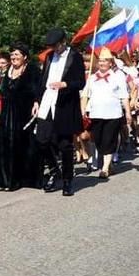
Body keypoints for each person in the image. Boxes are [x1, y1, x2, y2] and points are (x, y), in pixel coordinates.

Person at [34, 28, 86, 197]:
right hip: (47, 103)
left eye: (56, 45)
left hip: (64, 105)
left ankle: (67, 180)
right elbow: (43, 81)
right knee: (42, 140)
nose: (54, 49)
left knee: (65, 145)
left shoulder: (75, 57)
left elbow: (80, 82)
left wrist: (65, 84)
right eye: (52, 46)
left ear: (64, 42)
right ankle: (55, 171)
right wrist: (37, 100)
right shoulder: (49, 57)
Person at [0, 47, 40, 191]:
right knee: (6, 144)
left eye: (17, 54)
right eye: (12, 54)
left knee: (23, 144)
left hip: (24, 112)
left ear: (25, 56)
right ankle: (6, 180)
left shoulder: (32, 70)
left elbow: (38, 88)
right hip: (7, 113)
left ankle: (22, 179)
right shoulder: (6, 71)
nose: (14, 57)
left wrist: (36, 102)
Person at [83, 49, 131, 179]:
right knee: (97, 140)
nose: (102, 63)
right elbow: (85, 95)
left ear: (111, 63)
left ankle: (104, 169)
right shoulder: (92, 78)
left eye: (105, 61)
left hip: (113, 114)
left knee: (109, 140)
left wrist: (127, 112)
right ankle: (109, 165)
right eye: (100, 60)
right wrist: (83, 111)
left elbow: (124, 96)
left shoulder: (118, 77)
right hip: (95, 113)